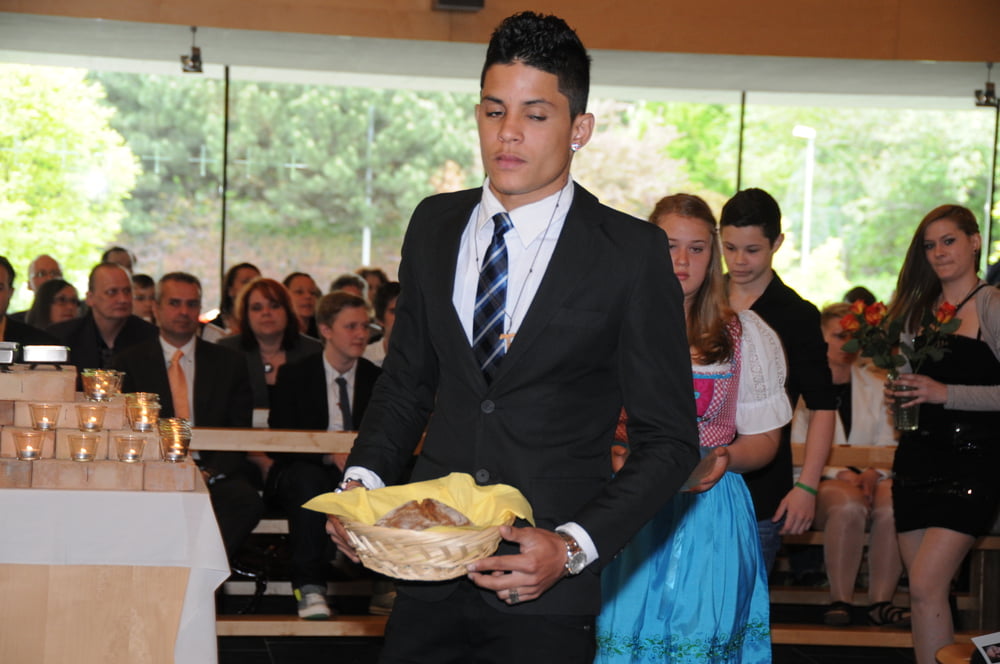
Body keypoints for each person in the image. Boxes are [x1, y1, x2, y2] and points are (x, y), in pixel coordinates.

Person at [326, 12, 700, 662]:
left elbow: (668, 441)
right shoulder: (433, 225)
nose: (509, 133)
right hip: (429, 565)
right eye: (494, 110)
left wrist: (574, 545)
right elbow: (406, 383)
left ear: (580, 128)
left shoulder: (631, 253)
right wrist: (360, 485)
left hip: (544, 582)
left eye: (536, 114)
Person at [597, 194, 790, 663]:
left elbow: (765, 440)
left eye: (697, 248)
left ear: (713, 255)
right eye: (669, 245)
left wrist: (722, 458)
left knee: (701, 637)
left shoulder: (744, 334)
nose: (682, 260)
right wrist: (613, 452)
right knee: (625, 634)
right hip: (628, 502)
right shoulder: (608, 326)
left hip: (711, 508)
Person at [884, 205, 1000, 664]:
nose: (938, 252)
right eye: (930, 245)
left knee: (928, 582)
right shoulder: (915, 313)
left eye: (948, 241)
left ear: (974, 242)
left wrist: (942, 392)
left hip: (974, 461)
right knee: (921, 594)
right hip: (916, 459)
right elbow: (910, 388)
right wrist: (901, 394)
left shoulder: (992, 304)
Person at [720, 188, 838, 571]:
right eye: (729, 247)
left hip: (763, 487)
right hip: (696, 479)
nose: (739, 260)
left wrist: (807, 485)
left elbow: (823, 405)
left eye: (752, 250)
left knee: (746, 598)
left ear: (777, 243)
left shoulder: (797, 314)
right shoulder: (702, 298)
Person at [112, 272, 263, 560]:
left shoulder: (229, 363)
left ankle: (196, 569)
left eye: (191, 304)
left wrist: (208, 473)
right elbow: (123, 428)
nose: (183, 311)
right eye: (174, 303)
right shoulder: (129, 362)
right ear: (156, 308)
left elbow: (238, 430)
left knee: (245, 502)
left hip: (214, 471)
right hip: (152, 471)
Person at [790, 302, 906, 627]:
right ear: (821, 338)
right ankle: (840, 599)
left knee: (895, 502)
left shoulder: (878, 383)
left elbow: (890, 438)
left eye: (854, 337)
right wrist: (840, 472)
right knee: (849, 504)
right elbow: (797, 444)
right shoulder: (801, 385)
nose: (848, 344)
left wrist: (873, 472)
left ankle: (881, 601)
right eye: (840, 336)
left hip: (875, 477)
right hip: (820, 478)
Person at [268, 291, 381, 619]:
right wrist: (328, 455)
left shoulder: (376, 378)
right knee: (309, 481)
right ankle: (310, 587)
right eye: (351, 326)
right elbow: (279, 438)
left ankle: (389, 584)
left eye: (365, 326)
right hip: (307, 469)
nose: (361, 334)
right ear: (326, 330)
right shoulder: (295, 375)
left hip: (362, 471)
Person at [218, 277, 322, 409]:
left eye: (274, 306)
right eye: (257, 308)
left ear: (288, 311)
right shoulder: (227, 351)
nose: (266, 313)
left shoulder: (313, 351)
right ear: (246, 315)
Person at [47, 262, 157, 373]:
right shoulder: (61, 338)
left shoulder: (151, 337)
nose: (123, 299)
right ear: (90, 298)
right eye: (112, 292)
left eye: (127, 291)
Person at [0, 256, 59, 345]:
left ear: (10, 292)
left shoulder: (40, 344)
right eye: (41, 274)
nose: (49, 278)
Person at [203, 262, 261, 342]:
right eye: (246, 282)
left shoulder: (263, 327)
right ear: (230, 290)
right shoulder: (213, 329)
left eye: (257, 283)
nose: (252, 287)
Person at [9, 254, 63, 322]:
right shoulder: (15, 322)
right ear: (29, 285)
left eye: (54, 273)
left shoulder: (73, 318)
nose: (49, 278)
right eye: (41, 274)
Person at [363, 281, 399, 367]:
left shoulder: (426, 357)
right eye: (394, 311)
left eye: (406, 311)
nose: (401, 316)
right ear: (380, 319)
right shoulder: (364, 358)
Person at [282, 272, 321, 338]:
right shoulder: (278, 333)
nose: (308, 296)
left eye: (312, 293)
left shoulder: (323, 331)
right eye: (299, 292)